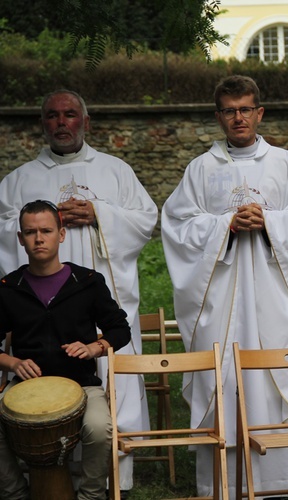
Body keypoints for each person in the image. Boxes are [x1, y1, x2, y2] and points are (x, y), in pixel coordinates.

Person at [161, 75, 288, 498]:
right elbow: (176, 225)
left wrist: (270, 222)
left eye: (245, 109)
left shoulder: (287, 164)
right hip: (220, 299)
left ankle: (286, 481)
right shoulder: (201, 169)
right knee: (224, 376)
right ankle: (220, 481)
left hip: (276, 294)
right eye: (228, 110)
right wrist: (226, 224)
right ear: (218, 116)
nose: (238, 118)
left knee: (276, 372)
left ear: (259, 113)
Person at [0, 90, 157, 491]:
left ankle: (108, 481)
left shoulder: (115, 170)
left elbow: (146, 219)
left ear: (85, 121)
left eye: (70, 115)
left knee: (105, 395)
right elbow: (5, 231)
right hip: (40, 309)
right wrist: (48, 217)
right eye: (52, 116)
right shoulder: (18, 179)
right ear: (42, 124)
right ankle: (45, 477)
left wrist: (100, 214)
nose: (61, 123)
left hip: (98, 294)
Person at [0, 200, 131, 500]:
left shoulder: (87, 282)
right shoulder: (9, 287)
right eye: (30, 232)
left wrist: (94, 347)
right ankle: (15, 495)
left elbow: (120, 329)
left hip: (83, 385)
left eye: (46, 230)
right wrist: (12, 363)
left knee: (99, 428)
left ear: (61, 234)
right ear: (20, 238)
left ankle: (91, 496)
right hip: (26, 386)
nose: (39, 238)